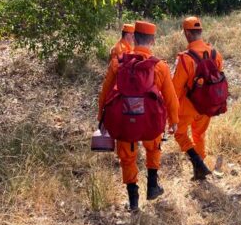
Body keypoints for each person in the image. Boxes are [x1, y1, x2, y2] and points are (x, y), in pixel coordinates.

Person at [97, 21, 179, 211]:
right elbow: (171, 97)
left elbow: (105, 93)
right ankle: (152, 186)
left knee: (127, 157)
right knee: (154, 147)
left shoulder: (118, 63)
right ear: (153, 40)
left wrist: (101, 119)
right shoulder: (159, 66)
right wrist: (174, 121)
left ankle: (133, 201)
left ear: (133, 38)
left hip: (126, 121)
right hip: (150, 123)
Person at [172, 17, 226, 180]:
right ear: (200, 32)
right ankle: (200, 171)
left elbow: (176, 87)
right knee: (199, 134)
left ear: (187, 33)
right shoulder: (216, 54)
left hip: (188, 106)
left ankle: (198, 163)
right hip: (208, 105)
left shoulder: (185, 58)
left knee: (179, 134)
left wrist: (172, 111)